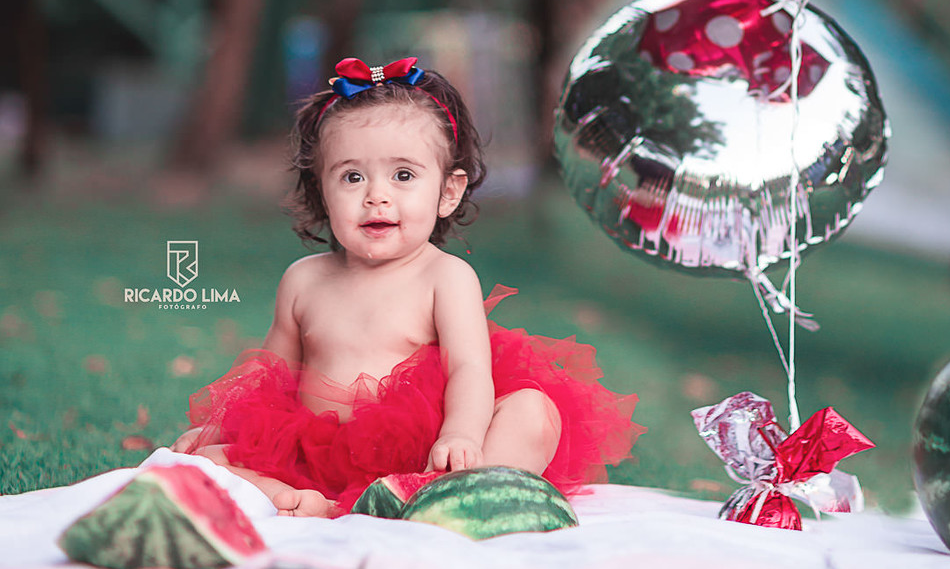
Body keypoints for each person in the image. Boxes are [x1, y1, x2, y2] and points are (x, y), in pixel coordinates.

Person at [172, 56, 643, 518]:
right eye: (352, 177)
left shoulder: (445, 277)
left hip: (428, 453)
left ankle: (444, 495)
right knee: (204, 461)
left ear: (448, 192)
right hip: (317, 457)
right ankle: (301, 499)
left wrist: (458, 436)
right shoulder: (304, 279)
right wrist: (216, 427)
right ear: (321, 191)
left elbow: (468, 370)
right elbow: (267, 377)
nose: (377, 195)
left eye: (403, 175)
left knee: (535, 413)